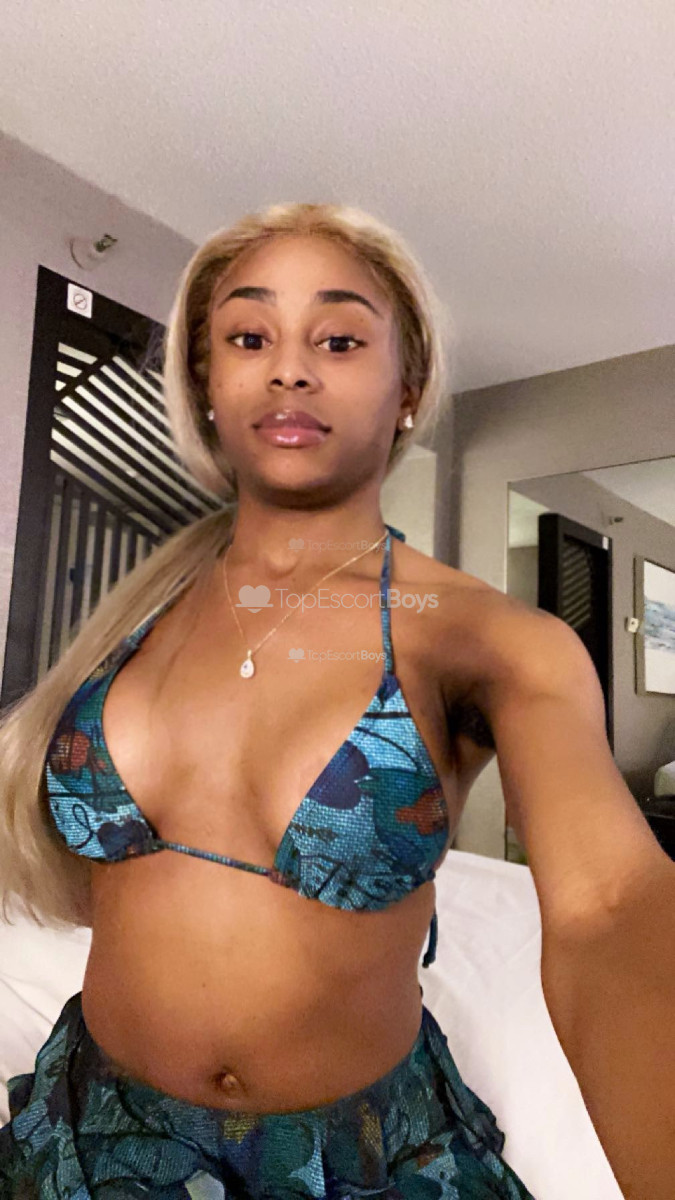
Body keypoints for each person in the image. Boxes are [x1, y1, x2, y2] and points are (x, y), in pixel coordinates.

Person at [0, 202, 672, 1199]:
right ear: (208, 384)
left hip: (347, 1162)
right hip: (96, 1131)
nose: (289, 369)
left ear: (407, 390)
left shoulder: (487, 640)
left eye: (340, 339)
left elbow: (612, 909)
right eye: (249, 337)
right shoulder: (136, 616)